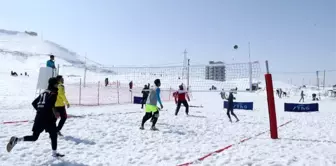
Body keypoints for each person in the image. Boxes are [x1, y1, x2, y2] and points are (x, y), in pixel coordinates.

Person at [6, 77, 64, 157]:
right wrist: (56, 113)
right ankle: (54, 154)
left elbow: (34, 103)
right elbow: (49, 104)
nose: (58, 85)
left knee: (34, 137)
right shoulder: (53, 93)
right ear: (53, 84)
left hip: (39, 117)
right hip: (48, 119)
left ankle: (17, 140)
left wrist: (40, 110)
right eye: (57, 84)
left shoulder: (44, 92)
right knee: (53, 135)